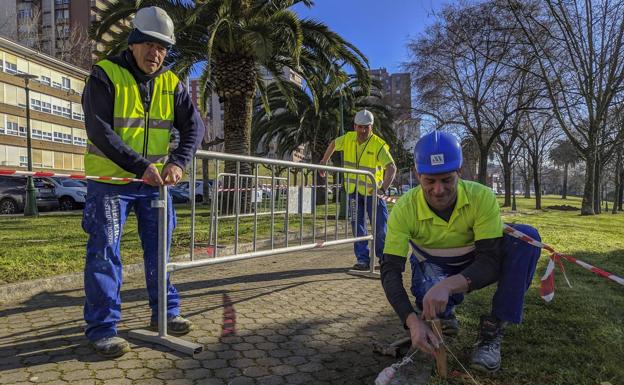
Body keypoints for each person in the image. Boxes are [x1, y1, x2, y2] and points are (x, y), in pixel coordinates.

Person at [81, 6, 205, 358]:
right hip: (110, 183)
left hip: (155, 186)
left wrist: (179, 161)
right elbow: (99, 130)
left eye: (163, 47)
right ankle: (103, 328)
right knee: (105, 254)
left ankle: (164, 314)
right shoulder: (105, 75)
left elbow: (194, 127)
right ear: (133, 42)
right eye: (149, 44)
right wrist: (140, 167)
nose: (156, 53)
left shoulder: (172, 83)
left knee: (160, 251)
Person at [380, 131, 541, 372]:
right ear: (417, 175)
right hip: (431, 264)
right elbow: (390, 270)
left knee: (528, 239)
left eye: (446, 180)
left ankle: (492, 329)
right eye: (429, 181)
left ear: (460, 172)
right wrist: (411, 320)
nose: (438, 190)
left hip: (474, 260)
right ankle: (445, 313)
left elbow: (490, 259)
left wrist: (448, 285)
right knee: (429, 299)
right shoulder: (404, 208)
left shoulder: (482, 197)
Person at [319, 109, 397, 270]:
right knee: (357, 226)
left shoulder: (378, 144)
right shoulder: (348, 138)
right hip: (353, 192)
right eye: (360, 127)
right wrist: (324, 161)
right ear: (354, 126)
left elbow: (391, 168)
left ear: (371, 127)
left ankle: (383, 260)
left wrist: (382, 189)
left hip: (373, 194)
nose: (362, 130)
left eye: (366, 127)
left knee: (381, 229)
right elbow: (333, 143)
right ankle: (363, 260)